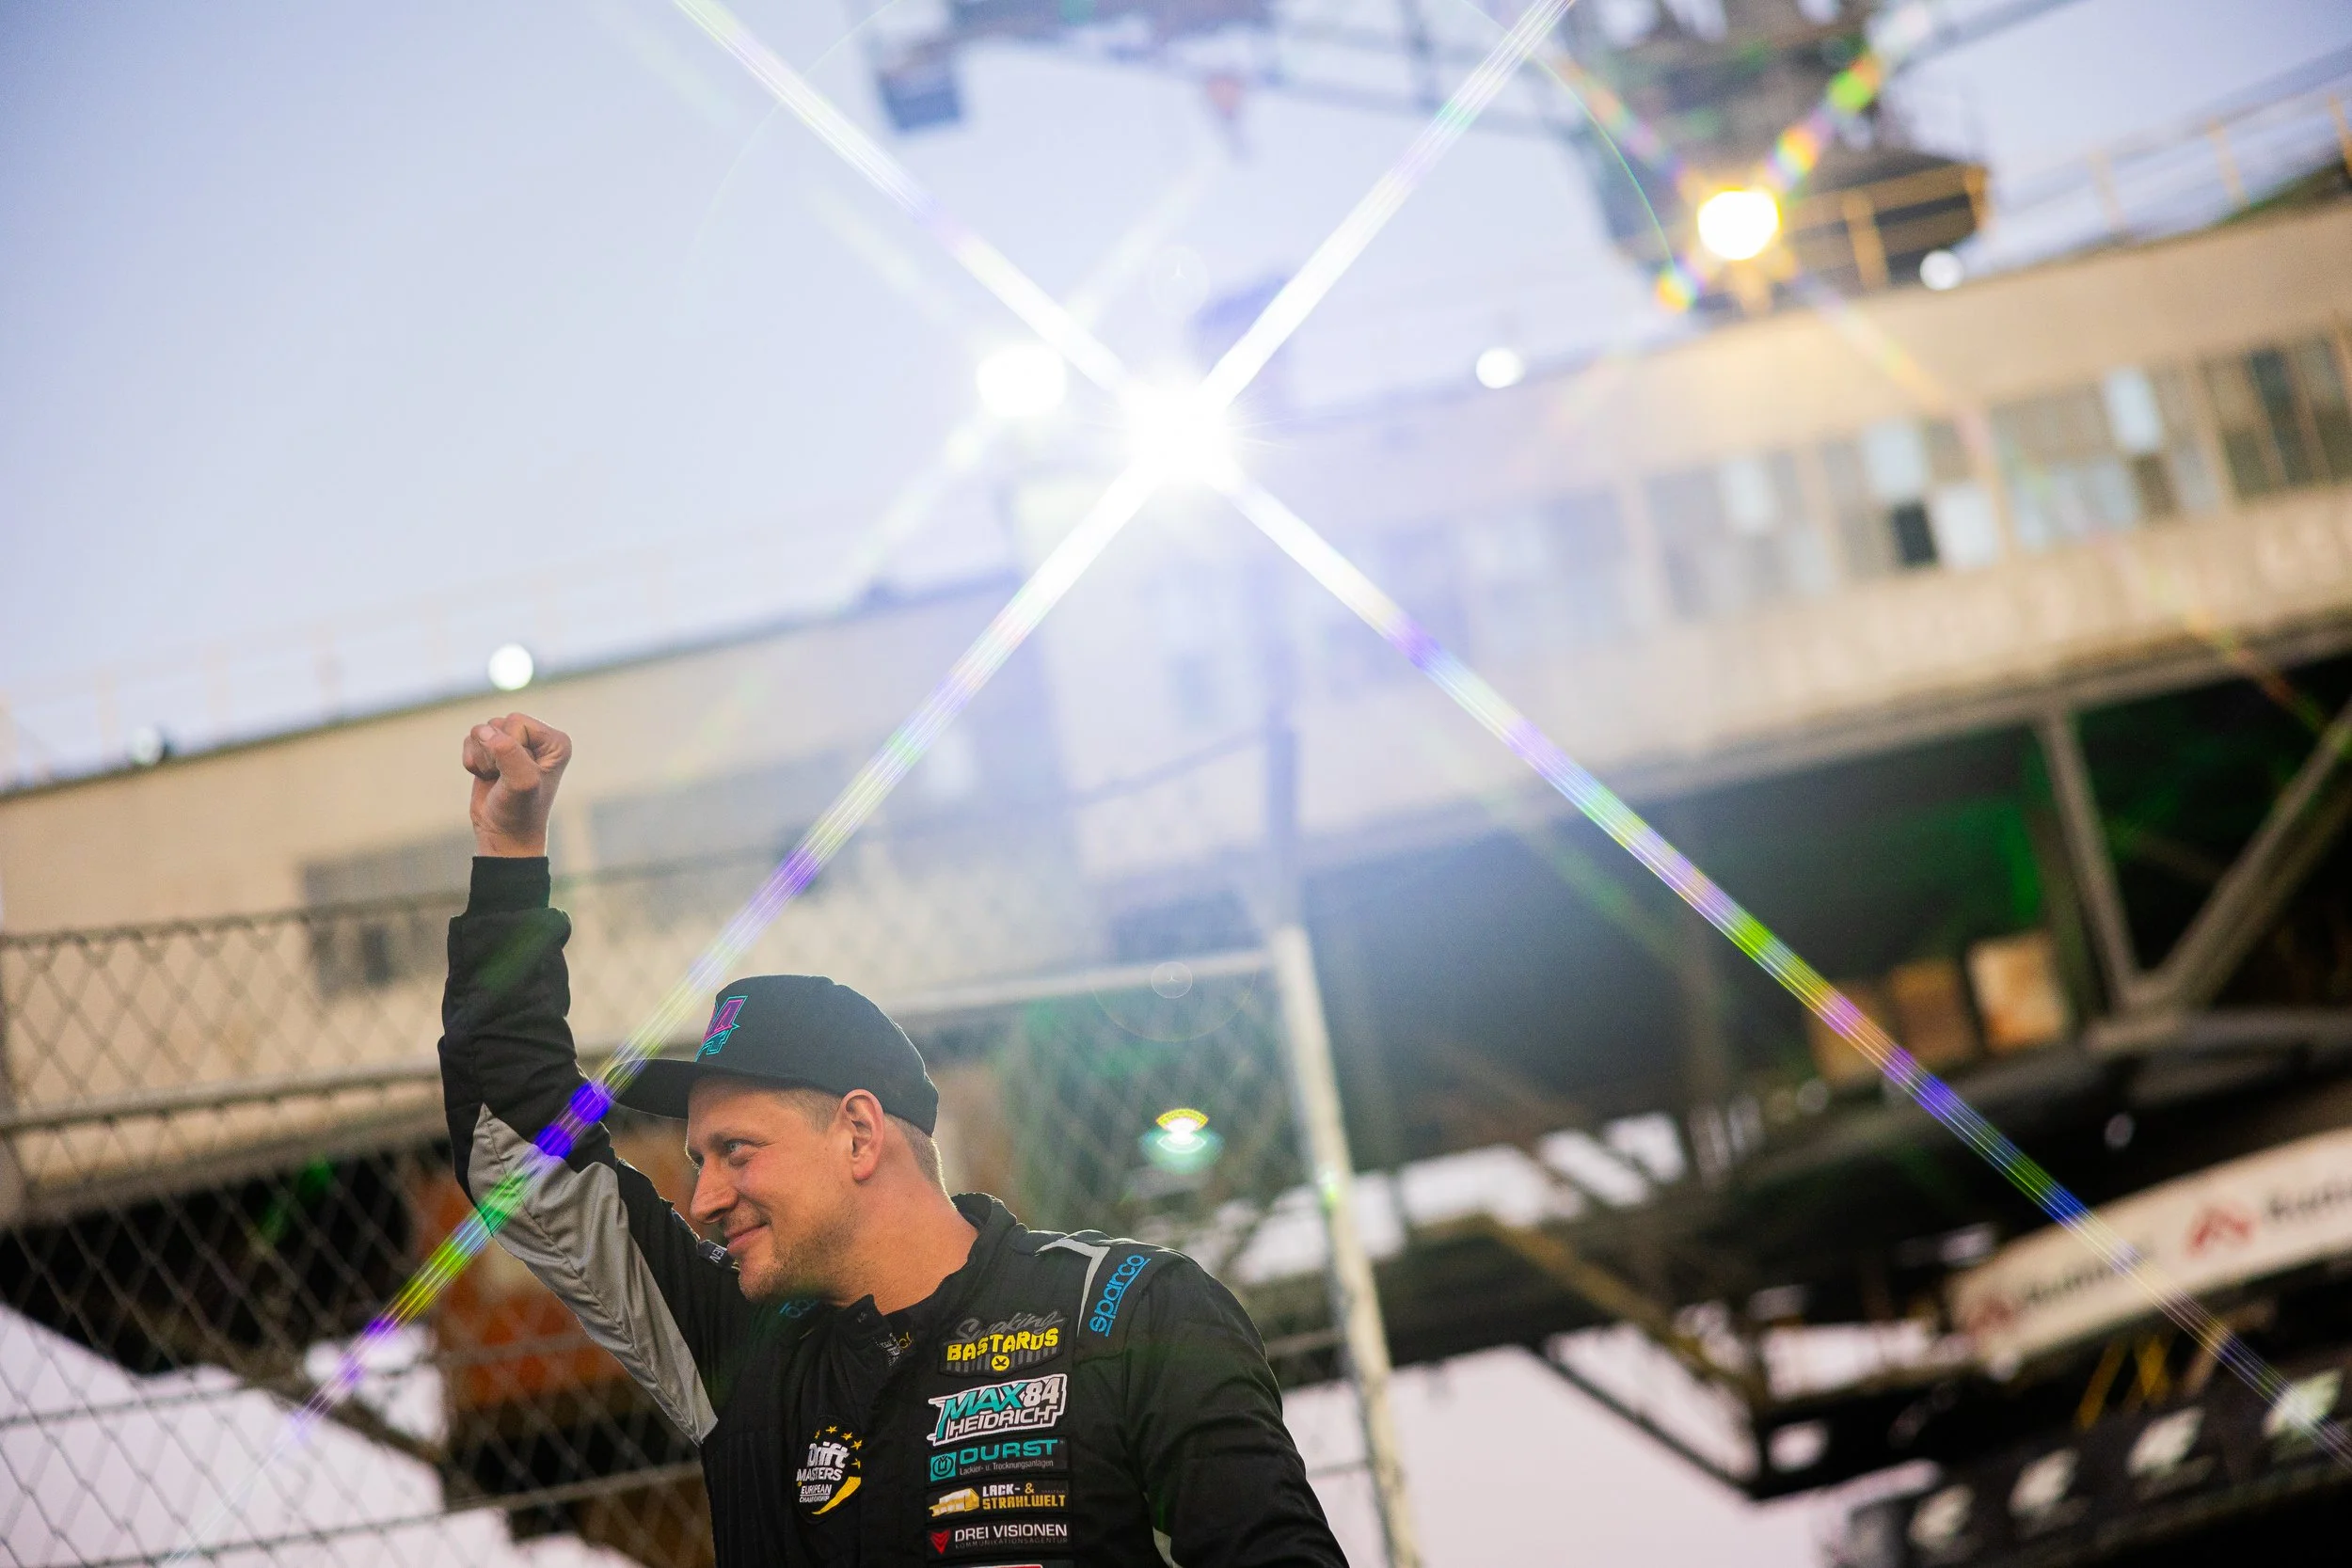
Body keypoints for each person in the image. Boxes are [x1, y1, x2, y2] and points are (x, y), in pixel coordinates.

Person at [438, 712, 1346, 1568]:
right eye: (698, 1162)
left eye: (737, 1152)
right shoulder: (734, 1345)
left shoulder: (1129, 1312)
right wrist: (510, 858)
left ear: (860, 1132)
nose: (705, 1197)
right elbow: (512, 1142)